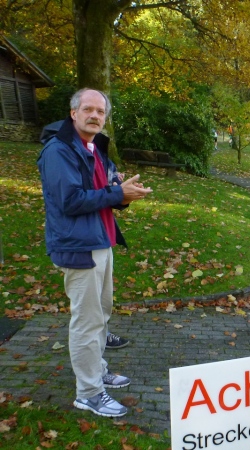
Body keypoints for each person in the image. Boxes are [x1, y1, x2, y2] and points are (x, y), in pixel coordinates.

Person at [37, 88, 152, 417]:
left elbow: (105, 191)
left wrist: (124, 194)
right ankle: (88, 393)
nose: (94, 116)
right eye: (87, 109)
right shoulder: (59, 150)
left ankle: (97, 370)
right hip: (78, 246)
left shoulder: (95, 147)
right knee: (87, 323)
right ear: (73, 113)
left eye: (100, 112)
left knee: (100, 315)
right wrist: (116, 192)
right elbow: (70, 200)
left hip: (101, 241)